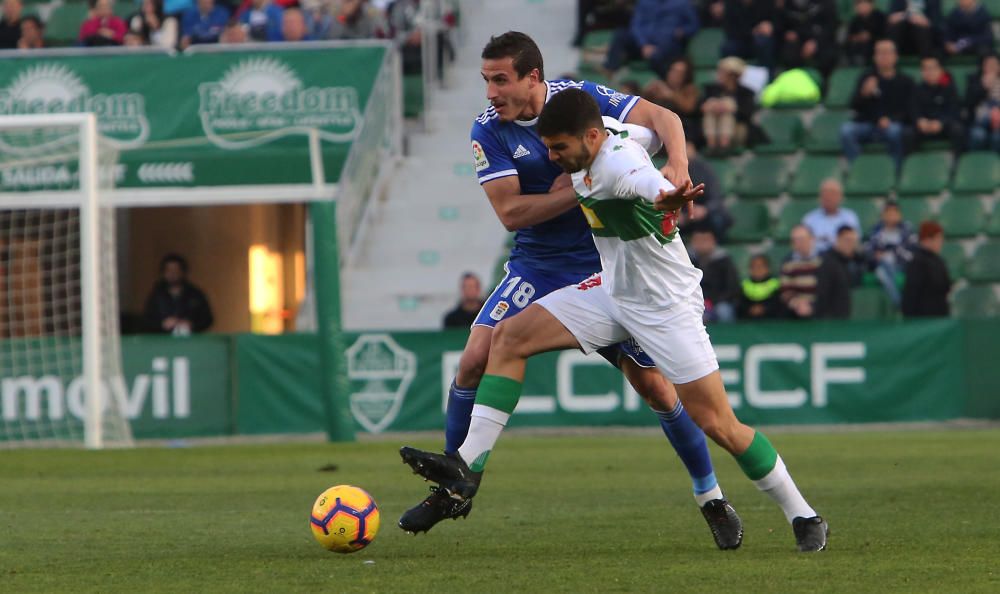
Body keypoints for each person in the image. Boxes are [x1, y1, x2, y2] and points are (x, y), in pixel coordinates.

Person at [401, 88, 828, 552]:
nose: (551, 157)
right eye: (547, 146)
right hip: (611, 289)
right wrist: (673, 167)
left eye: (558, 148)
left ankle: (802, 513)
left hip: (664, 307)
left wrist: (668, 193)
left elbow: (643, 181)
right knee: (509, 337)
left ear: (589, 137)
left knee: (719, 423)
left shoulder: (616, 164)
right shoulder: (617, 134)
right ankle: (465, 466)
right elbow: (654, 129)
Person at [840, 39, 914, 172]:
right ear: (874, 57)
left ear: (895, 56)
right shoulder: (866, 77)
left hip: (892, 124)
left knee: (895, 131)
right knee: (846, 130)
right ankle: (857, 169)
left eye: (887, 52)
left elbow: (909, 110)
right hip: (868, 124)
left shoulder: (905, 81)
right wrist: (864, 93)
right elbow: (854, 106)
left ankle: (895, 171)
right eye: (880, 53)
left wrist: (890, 119)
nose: (884, 56)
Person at [602, 0, 700, 78]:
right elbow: (636, 25)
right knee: (621, 34)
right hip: (642, 45)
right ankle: (610, 70)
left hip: (668, 44)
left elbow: (694, 25)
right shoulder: (644, 2)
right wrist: (643, 45)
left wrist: (683, 31)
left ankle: (665, 84)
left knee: (662, 53)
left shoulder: (682, 3)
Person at [143, 254, 214, 335]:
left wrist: (191, 324)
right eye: (168, 270)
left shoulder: (195, 294)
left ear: (183, 272)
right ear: (163, 272)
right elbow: (146, 320)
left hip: (190, 340)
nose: (172, 274)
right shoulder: (156, 295)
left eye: (176, 270)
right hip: (162, 340)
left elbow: (207, 319)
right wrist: (162, 324)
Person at [700, 56, 758, 153]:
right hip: (712, 127)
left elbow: (747, 113)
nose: (719, 74)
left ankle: (724, 144)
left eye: (723, 72)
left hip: (737, 128)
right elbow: (700, 107)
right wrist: (713, 106)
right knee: (712, 106)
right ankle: (711, 144)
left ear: (733, 75)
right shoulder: (710, 90)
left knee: (728, 107)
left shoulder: (746, 92)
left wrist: (730, 108)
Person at [866, 199, 915, 306]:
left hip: (901, 265)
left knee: (882, 271)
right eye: (888, 213)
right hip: (881, 264)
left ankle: (895, 300)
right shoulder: (876, 231)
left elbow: (912, 254)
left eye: (894, 212)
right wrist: (876, 256)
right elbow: (868, 251)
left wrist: (893, 253)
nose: (891, 216)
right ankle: (899, 302)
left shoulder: (907, 230)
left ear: (899, 214)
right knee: (883, 265)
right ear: (883, 215)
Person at [641, 58, 702, 145]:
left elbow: (688, 108)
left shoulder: (690, 89)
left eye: (680, 72)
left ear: (686, 75)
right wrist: (647, 92)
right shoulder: (659, 87)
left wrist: (670, 95)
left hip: (683, 131)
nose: (675, 74)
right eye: (673, 70)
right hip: (658, 129)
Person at [913, 55, 964, 152]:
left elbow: (954, 111)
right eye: (926, 69)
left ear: (940, 70)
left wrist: (941, 122)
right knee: (908, 133)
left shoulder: (949, 88)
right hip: (925, 126)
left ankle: (956, 162)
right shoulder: (917, 90)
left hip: (944, 125)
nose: (929, 72)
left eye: (932, 68)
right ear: (921, 72)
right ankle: (912, 163)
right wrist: (920, 120)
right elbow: (914, 109)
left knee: (958, 130)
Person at [681, 141, 731, 241]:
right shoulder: (672, 171)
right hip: (685, 213)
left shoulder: (705, 169)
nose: (684, 151)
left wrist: (705, 209)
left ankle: (715, 247)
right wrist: (678, 213)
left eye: (686, 148)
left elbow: (716, 197)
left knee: (717, 220)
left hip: (706, 212)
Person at [689, 227, 740, 323]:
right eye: (698, 240)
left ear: (713, 241)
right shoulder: (687, 260)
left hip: (718, 302)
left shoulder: (724, 260)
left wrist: (712, 302)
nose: (702, 243)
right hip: (694, 302)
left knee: (724, 311)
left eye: (705, 240)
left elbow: (732, 287)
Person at [901, 221, 951, 317]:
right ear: (927, 240)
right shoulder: (917, 263)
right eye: (938, 238)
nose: (941, 242)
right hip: (922, 318)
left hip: (938, 315)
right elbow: (911, 294)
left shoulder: (939, 261)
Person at [777, 0, 839, 77]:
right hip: (799, 40)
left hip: (821, 42)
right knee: (788, 51)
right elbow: (783, 24)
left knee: (828, 56)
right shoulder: (790, 3)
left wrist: (816, 42)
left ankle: (821, 84)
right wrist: (789, 33)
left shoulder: (827, 4)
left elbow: (831, 28)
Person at [801, 178, 861, 254]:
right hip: (816, 260)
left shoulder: (850, 218)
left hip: (842, 259)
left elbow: (854, 243)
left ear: (840, 196)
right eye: (825, 193)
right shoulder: (809, 219)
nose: (828, 197)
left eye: (833, 194)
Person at [814, 226, 861, 319]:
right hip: (830, 319)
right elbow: (822, 294)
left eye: (853, 241)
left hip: (845, 317)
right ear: (837, 240)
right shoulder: (826, 262)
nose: (851, 244)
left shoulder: (856, 260)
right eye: (847, 240)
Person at [720, 0, 776, 73]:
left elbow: (774, 21)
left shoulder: (765, 3)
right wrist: (753, 31)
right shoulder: (731, 4)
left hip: (759, 40)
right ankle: (729, 77)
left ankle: (767, 76)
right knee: (727, 47)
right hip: (739, 40)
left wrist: (770, 26)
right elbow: (730, 30)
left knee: (765, 43)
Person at [779, 225, 822, 320]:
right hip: (795, 312)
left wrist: (813, 306)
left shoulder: (825, 261)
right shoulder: (787, 262)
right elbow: (785, 291)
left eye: (802, 239)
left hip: (822, 312)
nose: (799, 243)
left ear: (812, 239)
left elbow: (829, 291)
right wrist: (796, 303)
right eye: (795, 240)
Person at [964, 53, 1000, 152]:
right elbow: (968, 104)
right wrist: (983, 87)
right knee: (978, 136)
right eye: (989, 65)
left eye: (995, 65)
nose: (992, 68)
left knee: (998, 138)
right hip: (978, 122)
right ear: (983, 66)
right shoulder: (974, 80)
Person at [738, 254, 782, 320]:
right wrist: (751, 309)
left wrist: (764, 308)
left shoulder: (775, 283)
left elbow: (777, 302)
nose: (758, 269)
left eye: (761, 266)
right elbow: (741, 303)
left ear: (768, 268)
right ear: (750, 269)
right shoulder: (745, 285)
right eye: (754, 266)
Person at [845, 0, 887, 66]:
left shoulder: (880, 17)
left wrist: (870, 36)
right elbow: (850, 35)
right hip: (858, 44)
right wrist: (858, 37)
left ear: (871, 5)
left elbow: (884, 34)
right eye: (859, 4)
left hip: (875, 43)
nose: (862, 6)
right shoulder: (855, 20)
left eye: (864, 3)